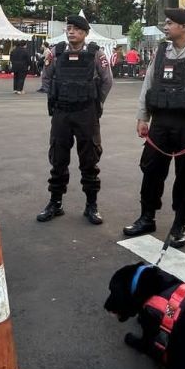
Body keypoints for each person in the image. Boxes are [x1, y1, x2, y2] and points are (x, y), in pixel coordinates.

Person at [123, 7, 185, 246]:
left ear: (184, 27)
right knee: (151, 171)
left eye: (170, 23)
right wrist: (142, 117)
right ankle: (147, 217)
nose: (165, 26)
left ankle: (179, 224)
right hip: (160, 124)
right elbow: (148, 84)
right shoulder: (161, 52)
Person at [37, 15, 113, 225]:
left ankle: (91, 205)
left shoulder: (95, 53)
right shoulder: (56, 52)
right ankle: (55, 203)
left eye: (76, 29)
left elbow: (107, 81)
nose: (71, 32)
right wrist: (57, 96)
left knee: (89, 160)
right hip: (62, 112)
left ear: (85, 33)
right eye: (69, 28)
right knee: (58, 158)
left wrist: (96, 104)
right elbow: (46, 77)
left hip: (86, 113)